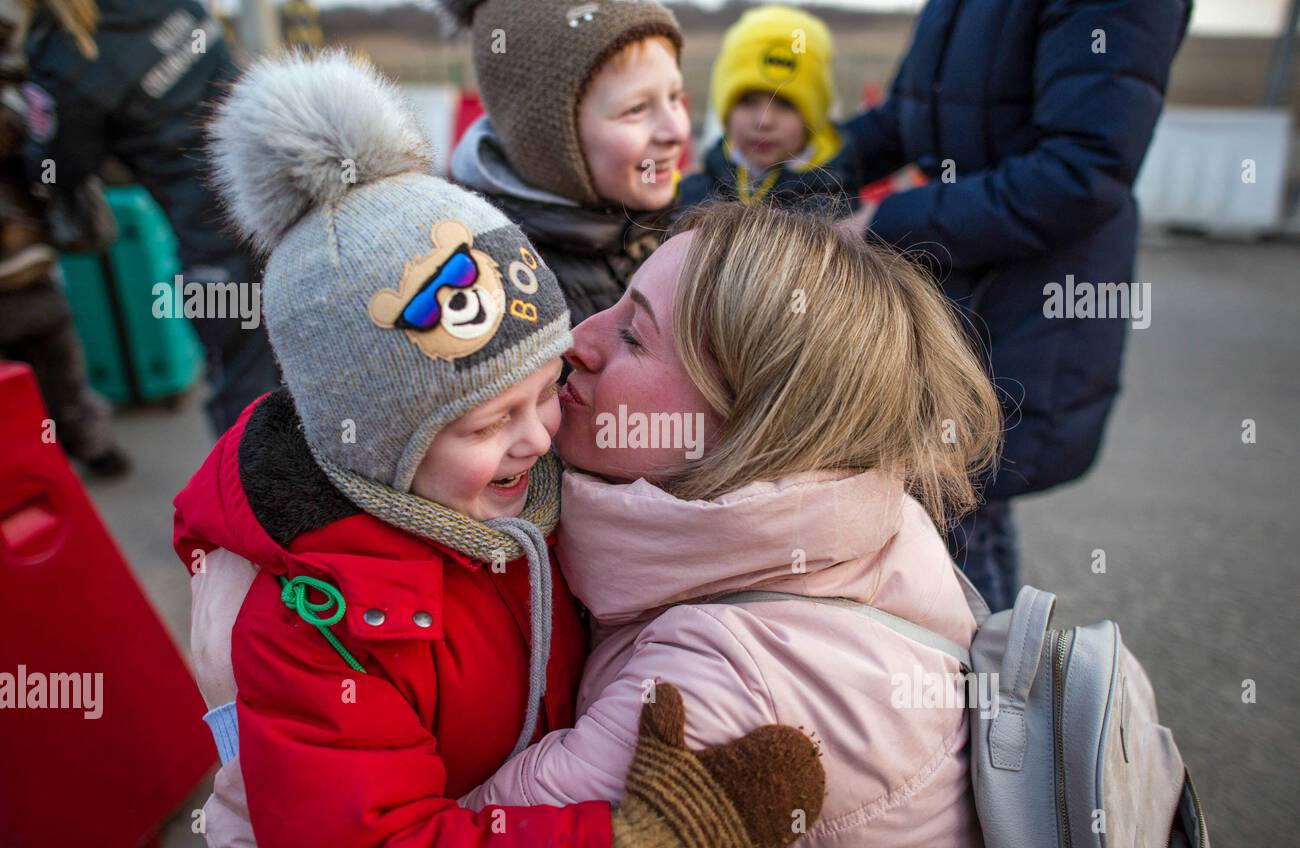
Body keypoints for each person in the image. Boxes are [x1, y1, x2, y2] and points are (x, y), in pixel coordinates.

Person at [191, 199, 1004, 848]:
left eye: (635, 334)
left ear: (751, 425)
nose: (578, 337)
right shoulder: (863, 510)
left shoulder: (723, 685)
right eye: (616, 298)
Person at [175, 52, 823, 848]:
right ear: (376, 441)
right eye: (488, 423)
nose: (540, 438)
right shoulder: (314, 629)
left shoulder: (526, 498)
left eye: (546, 389)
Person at [838, 0, 1192, 610]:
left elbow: (1080, 173)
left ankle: (998, 697)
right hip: (957, 302)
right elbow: (909, 118)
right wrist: (792, 169)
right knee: (949, 520)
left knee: (959, 535)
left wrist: (884, 222)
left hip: (1027, 309)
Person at [20, 0, 281, 434]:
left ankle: (253, 498)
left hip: (213, 240)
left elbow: (57, 168)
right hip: (289, 195)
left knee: (243, 390)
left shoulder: (65, 53)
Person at [444, 0, 690, 324]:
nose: (676, 130)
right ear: (547, 138)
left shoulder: (673, 237)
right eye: (636, 109)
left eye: (674, 97)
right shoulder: (501, 296)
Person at [0, 0, 127, 475]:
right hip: (26, 259)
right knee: (54, 370)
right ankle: (63, 455)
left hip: (27, 261)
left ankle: (62, 454)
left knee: (56, 367)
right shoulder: (26, 83)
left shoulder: (27, 81)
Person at [677, 4, 860, 214]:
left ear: (815, 114)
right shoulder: (693, 196)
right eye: (747, 101)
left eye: (785, 104)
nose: (764, 121)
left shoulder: (839, 211)